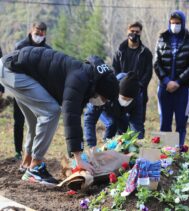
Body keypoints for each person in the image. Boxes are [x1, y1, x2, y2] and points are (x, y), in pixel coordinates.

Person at [0, 48, 119, 185]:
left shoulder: (88, 77)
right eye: (104, 99)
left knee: (36, 118)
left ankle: (27, 162)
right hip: (13, 69)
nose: (102, 103)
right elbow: (70, 117)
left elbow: (76, 116)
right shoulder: (79, 79)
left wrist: (78, 153)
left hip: (13, 68)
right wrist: (79, 158)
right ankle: (35, 167)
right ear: (100, 90)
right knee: (51, 112)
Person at [154, 10, 189, 146]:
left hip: (183, 89)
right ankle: (165, 155)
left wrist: (178, 82)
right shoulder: (161, 39)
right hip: (164, 88)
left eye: (178, 23)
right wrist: (167, 81)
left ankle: (178, 154)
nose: (175, 25)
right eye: (172, 23)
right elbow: (156, 63)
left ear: (183, 23)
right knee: (164, 124)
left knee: (181, 124)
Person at [13, 22, 51, 160]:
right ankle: (18, 151)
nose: (39, 34)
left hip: (37, 91)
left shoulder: (48, 50)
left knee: (34, 123)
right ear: (31, 30)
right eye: (37, 31)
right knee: (19, 121)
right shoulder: (20, 46)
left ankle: (32, 153)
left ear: (45, 33)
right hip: (20, 88)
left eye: (42, 32)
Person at [84, 71, 144, 148]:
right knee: (112, 123)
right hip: (104, 107)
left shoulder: (137, 98)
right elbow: (90, 118)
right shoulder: (108, 89)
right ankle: (106, 147)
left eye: (128, 100)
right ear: (118, 93)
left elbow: (137, 122)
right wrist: (91, 144)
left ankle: (119, 148)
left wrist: (138, 141)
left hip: (120, 111)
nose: (125, 101)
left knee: (125, 128)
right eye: (123, 98)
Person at [112, 21, 153, 124]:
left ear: (141, 33)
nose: (134, 34)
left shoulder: (146, 52)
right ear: (127, 32)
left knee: (138, 124)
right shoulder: (120, 51)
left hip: (139, 92)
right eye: (132, 31)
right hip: (122, 93)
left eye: (137, 32)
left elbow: (148, 73)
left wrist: (139, 86)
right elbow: (115, 69)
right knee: (120, 123)